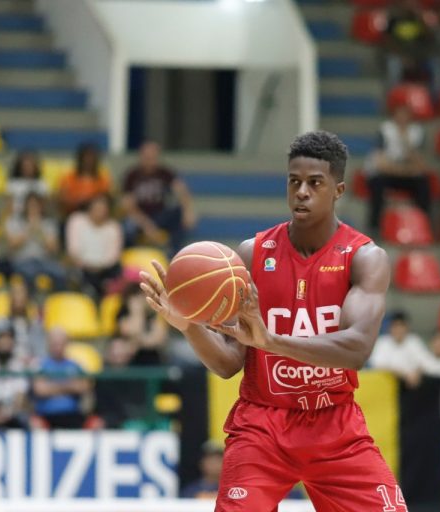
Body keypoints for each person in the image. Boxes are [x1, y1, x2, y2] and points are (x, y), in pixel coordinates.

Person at [140, 131, 406, 511]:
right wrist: (188, 324)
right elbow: (229, 364)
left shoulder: (363, 257)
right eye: (294, 181)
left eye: (315, 183)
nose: (302, 192)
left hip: (334, 423)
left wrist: (270, 341)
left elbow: (356, 349)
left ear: (338, 190)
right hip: (262, 424)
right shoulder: (253, 253)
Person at [122, 141, 196, 255]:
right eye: (147, 157)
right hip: (139, 216)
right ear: (140, 156)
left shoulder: (165, 173)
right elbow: (128, 206)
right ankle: (130, 256)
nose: (150, 160)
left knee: (179, 214)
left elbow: (182, 191)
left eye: (153, 157)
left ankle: (174, 254)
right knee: (128, 227)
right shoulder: (132, 176)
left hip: (159, 215)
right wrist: (146, 225)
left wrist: (188, 211)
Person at [366, 104, 431, 233]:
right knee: (377, 183)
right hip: (387, 175)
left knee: (423, 183)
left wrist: (406, 142)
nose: (403, 118)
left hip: (406, 175)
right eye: (400, 114)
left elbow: (421, 165)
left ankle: (423, 226)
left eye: (406, 114)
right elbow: (381, 164)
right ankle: (374, 227)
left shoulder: (417, 132)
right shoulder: (385, 130)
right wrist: (405, 169)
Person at [32, 327, 92, 429]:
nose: (58, 347)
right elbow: (40, 390)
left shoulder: (75, 365)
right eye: (54, 343)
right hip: (46, 416)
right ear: (49, 344)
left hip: (72, 415)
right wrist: (69, 385)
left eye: (61, 343)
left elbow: (83, 386)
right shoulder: (40, 365)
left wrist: (52, 386)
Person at [66, 194, 123, 299]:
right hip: (82, 268)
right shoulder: (77, 220)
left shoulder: (113, 227)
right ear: (89, 207)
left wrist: (98, 267)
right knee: (72, 274)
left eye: (103, 208)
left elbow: (113, 256)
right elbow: (73, 250)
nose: (99, 211)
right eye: (97, 207)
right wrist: (86, 265)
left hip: (105, 270)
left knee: (117, 271)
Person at [0, 324, 30, 429]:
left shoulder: (18, 366)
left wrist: (8, 412)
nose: (6, 342)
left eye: (9, 337)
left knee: (25, 419)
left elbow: (20, 397)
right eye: (2, 337)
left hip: (11, 415)